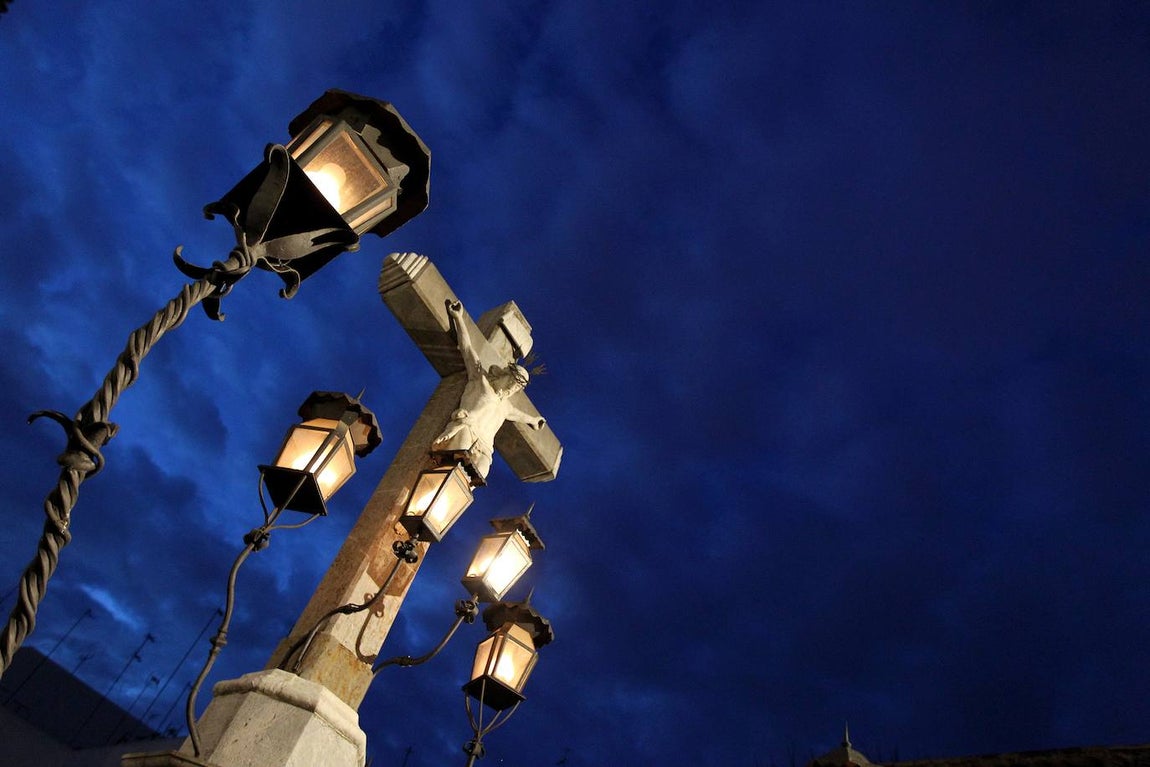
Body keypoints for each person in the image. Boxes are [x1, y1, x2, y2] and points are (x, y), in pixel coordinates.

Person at [431, 300, 545, 480]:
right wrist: (459, 318)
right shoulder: (480, 380)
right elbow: (467, 349)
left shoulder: (506, 406)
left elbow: (518, 415)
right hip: (467, 429)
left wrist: (534, 420)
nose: (514, 387)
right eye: (514, 381)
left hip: (485, 448)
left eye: (518, 386)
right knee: (452, 469)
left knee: (473, 481)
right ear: (505, 374)